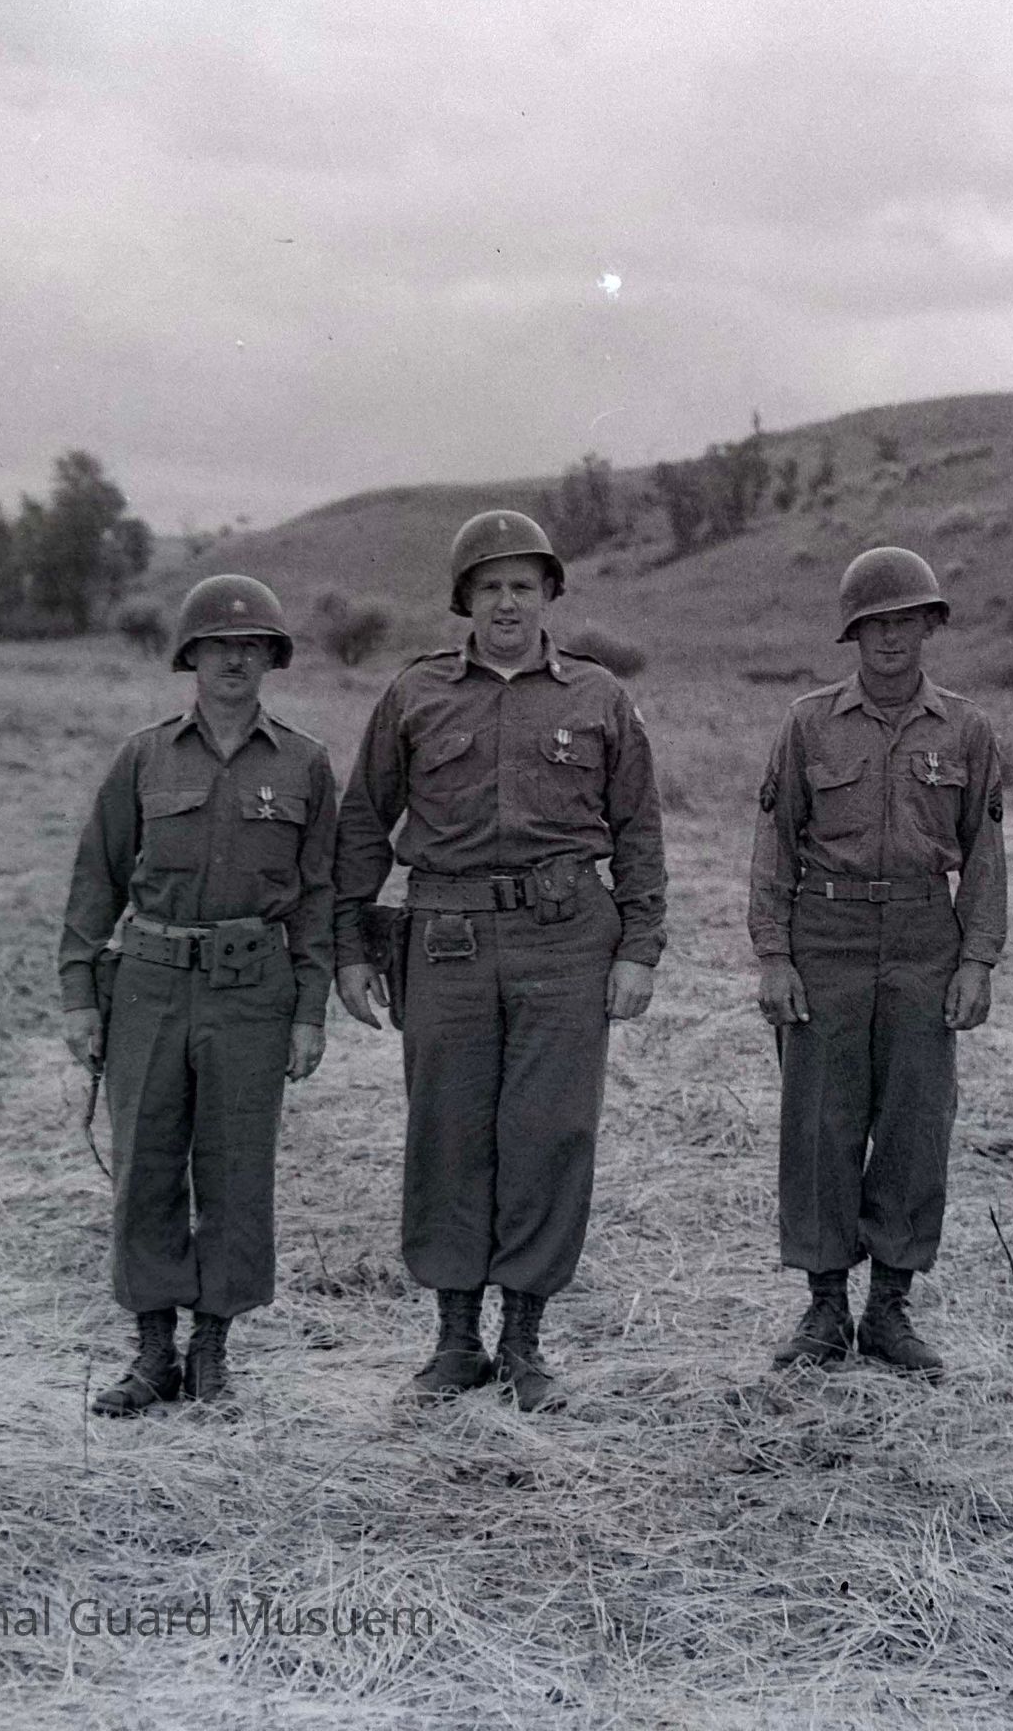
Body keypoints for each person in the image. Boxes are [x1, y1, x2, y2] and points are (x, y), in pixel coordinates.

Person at [331, 510, 665, 1413]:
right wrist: (349, 946)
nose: (507, 603)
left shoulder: (598, 696)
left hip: (566, 939)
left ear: (549, 594)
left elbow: (638, 829)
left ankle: (524, 1342)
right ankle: (454, 1342)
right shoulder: (415, 694)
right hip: (447, 941)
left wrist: (640, 948)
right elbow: (363, 822)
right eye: (489, 588)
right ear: (465, 601)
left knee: (550, 1135)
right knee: (447, 1133)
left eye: (523, 585)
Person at [58, 574, 336, 1416]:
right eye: (219, 645)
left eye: (252, 646)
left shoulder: (304, 764)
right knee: (145, 1165)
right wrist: (80, 995)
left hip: (252, 990)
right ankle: (153, 1353)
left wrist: (310, 1010)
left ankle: (212, 1349)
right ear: (191, 656)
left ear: (272, 659)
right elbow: (96, 880)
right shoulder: (144, 757)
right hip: (148, 986)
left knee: (235, 1171)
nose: (235, 660)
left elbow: (317, 898)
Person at [749, 547, 1007, 1380]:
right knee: (820, 1123)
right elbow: (773, 845)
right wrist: (774, 955)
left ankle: (890, 1306)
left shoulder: (965, 728)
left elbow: (985, 855)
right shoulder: (808, 724)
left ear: (930, 627)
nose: (890, 638)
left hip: (925, 937)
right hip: (826, 934)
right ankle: (825, 1305)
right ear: (852, 635)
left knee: (914, 1122)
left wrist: (977, 960)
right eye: (873, 625)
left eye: (906, 622)